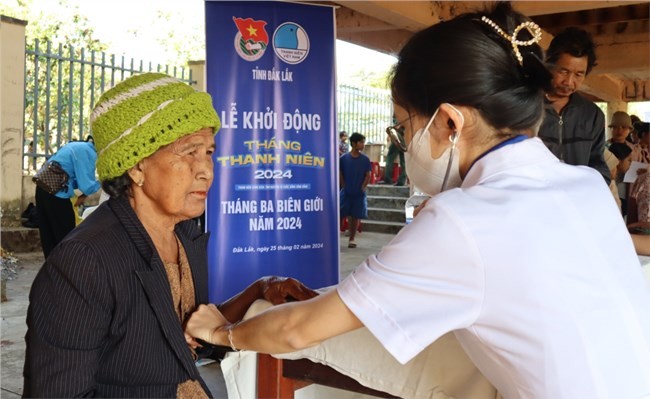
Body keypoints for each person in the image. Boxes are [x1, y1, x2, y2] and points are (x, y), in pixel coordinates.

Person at [185, 4, 650, 398]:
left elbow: (295, 330)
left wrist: (221, 333)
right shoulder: (586, 186)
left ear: (448, 122)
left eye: (405, 126)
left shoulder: (462, 219)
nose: (406, 142)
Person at [23, 72, 316, 398]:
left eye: (208, 152)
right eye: (189, 152)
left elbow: (188, 337)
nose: (206, 169)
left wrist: (259, 291)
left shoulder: (185, 235)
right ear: (136, 167)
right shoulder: (84, 262)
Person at [537, 27, 611, 184]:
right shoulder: (527, 107)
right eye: (563, 71)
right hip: (535, 200)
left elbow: (597, 164)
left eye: (578, 74)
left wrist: (593, 186)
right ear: (549, 65)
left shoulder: (592, 115)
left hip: (576, 200)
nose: (569, 82)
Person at [35, 135, 100, 258]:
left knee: (49, 236)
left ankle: (51, 270)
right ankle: (66, 269)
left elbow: (74, 177)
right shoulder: (88, 152)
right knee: (66, 235)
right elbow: (87, 185)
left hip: (42, 187)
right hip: (56, 193)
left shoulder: (76, 145)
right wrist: (104, 181)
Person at [339, 132, 371, 248]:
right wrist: (343, 185)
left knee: (355, 216)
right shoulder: (343, 159)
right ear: (354, 143)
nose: (363, 144)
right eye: (361, 142)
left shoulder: (365, 159)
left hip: (359, 193)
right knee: (341, 214)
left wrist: (362, 187)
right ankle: (336, 238)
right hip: (346, 191)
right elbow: (340, 172)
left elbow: (368, 175)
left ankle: (352, 239)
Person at [379, 116, 407, 186]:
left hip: (398, 137)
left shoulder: (399, 113)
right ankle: (401, 181)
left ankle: (388, 179)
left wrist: (391, 132)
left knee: (389, 159)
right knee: (404, 162)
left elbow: (397, 126)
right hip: (405, 138)